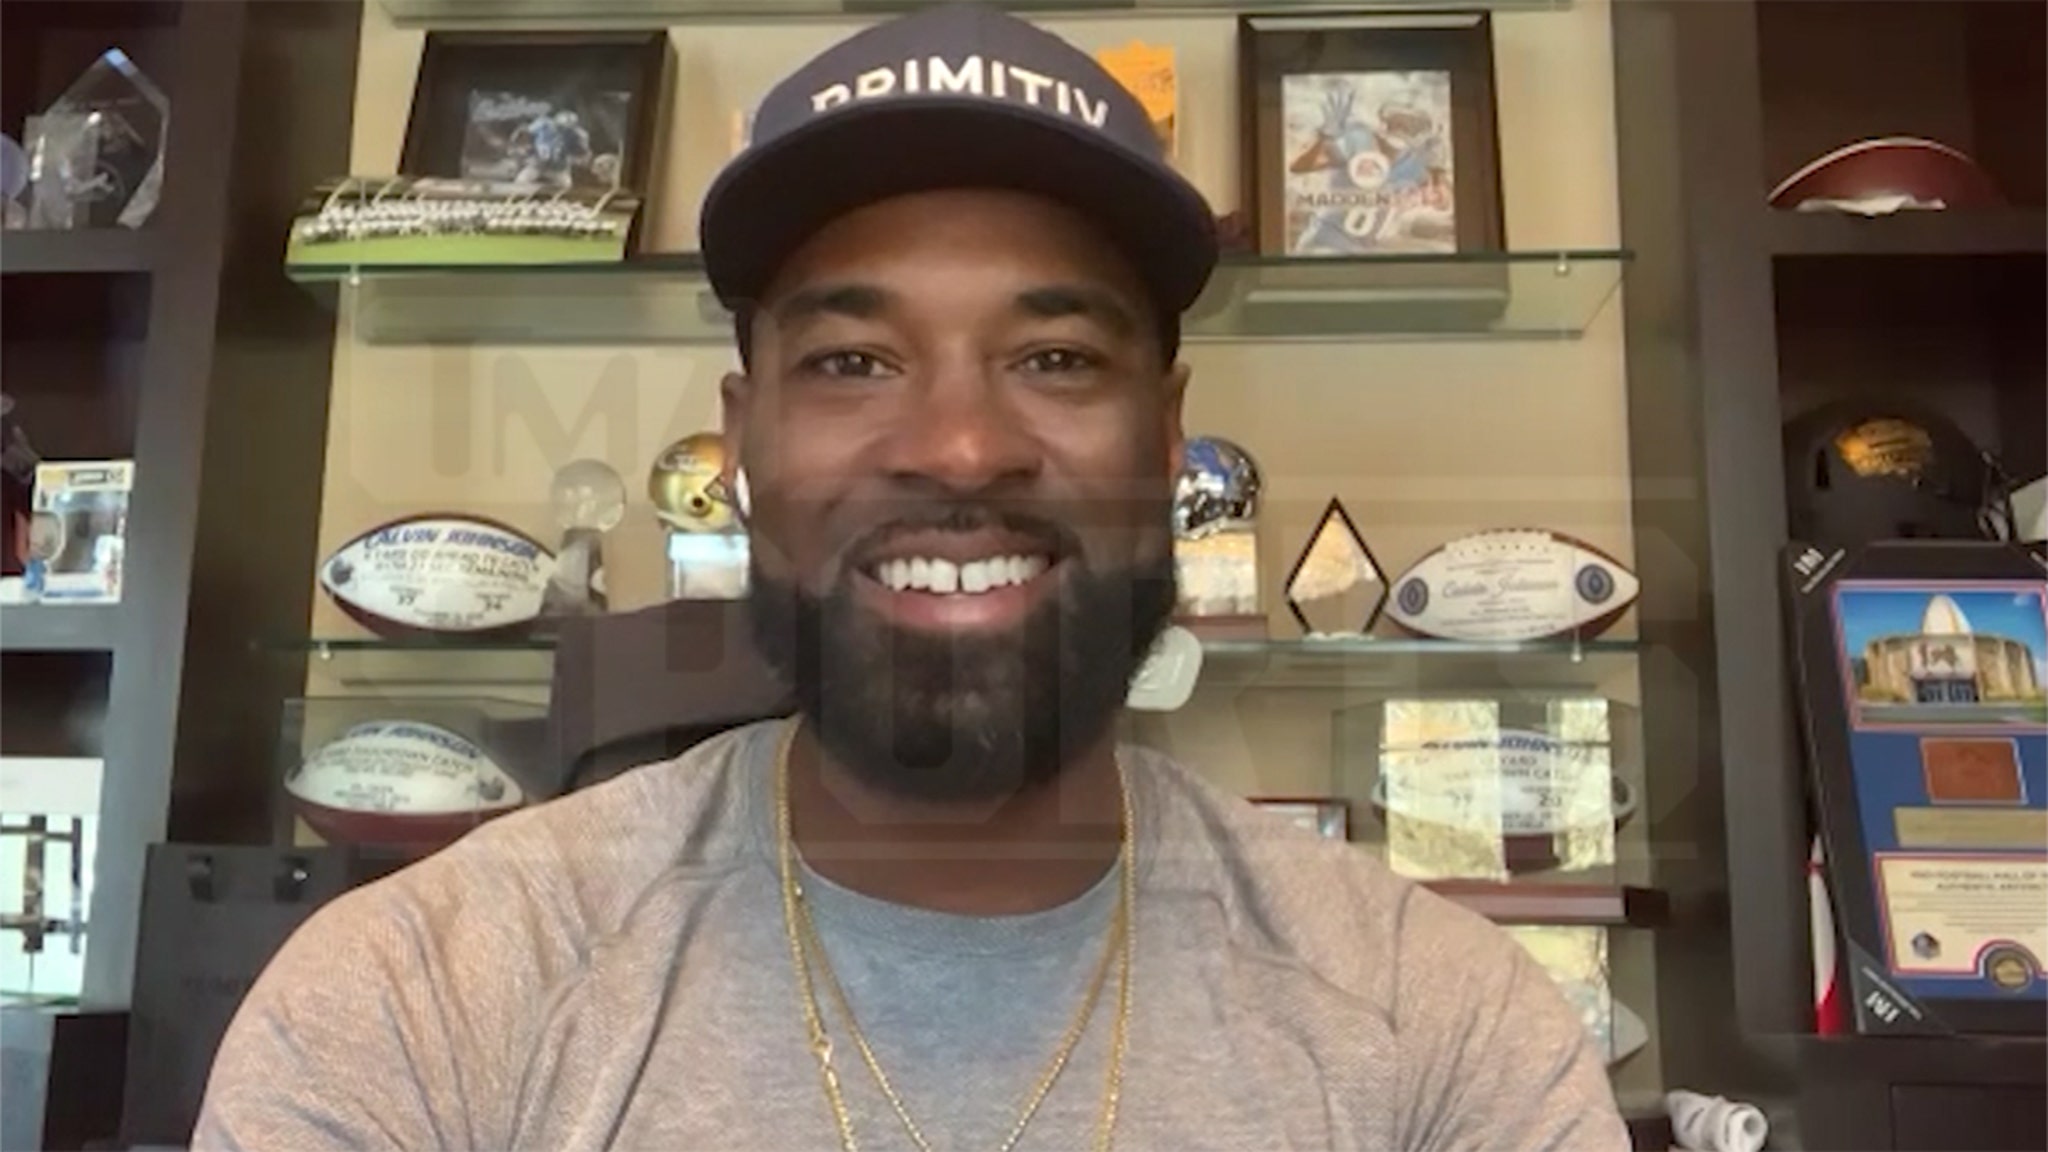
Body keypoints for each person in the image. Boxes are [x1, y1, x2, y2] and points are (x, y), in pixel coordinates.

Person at [195, 5, 1629, 1149]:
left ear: (1167, 441)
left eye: (1055, 357)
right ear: (742, 446)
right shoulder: (418, 1004)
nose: (959, 446)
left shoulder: (1444, 1036)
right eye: (851, 362)